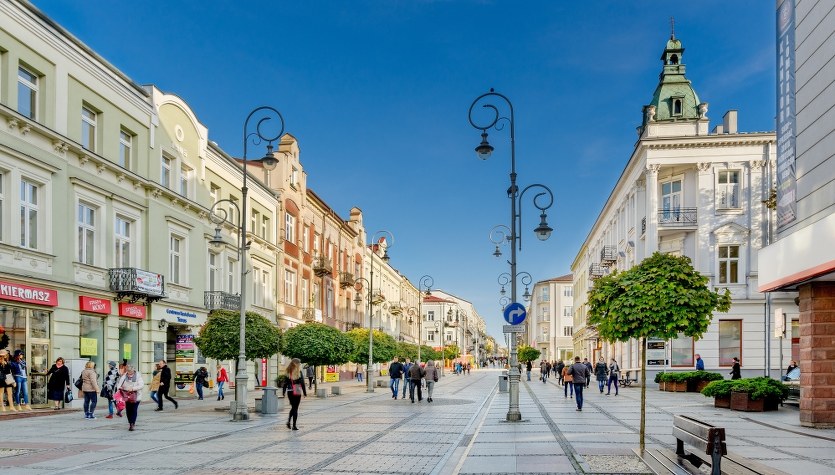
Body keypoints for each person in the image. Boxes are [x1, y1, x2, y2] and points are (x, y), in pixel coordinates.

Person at [115, 365, 144, 431]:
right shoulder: (124, 376)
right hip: (126, 396)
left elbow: (141, 385)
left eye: (130, 372)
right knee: (128, 410)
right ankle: (130, 422)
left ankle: (132, 424)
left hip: (136, 396)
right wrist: (120, 388)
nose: (129, 373)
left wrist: (133, 388)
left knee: (134, 409)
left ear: (133, 371)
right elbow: (119, 384)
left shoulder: (138, 376)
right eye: (128, 372)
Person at [282, 358, 307, 430]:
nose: (300, 364)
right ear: (297, 364)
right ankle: (294, 425)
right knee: (295, 408)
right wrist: (305, 393)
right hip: (297, 389)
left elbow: (285, 383)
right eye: (299, 363)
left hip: (290, 390)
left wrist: (283, 392)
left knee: (293, 407)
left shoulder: (288, 371)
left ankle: (288, 421)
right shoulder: (299, 372)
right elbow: (302, 383)